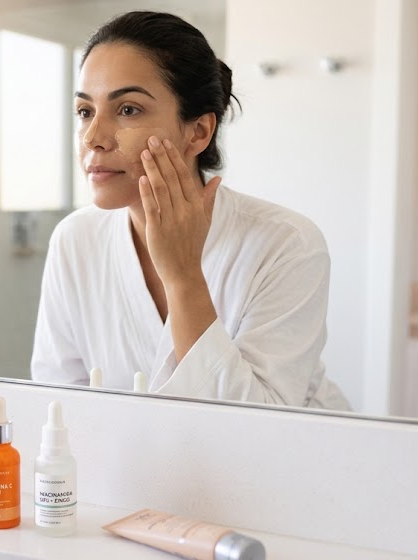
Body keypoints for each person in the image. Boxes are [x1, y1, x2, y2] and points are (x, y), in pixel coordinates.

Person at [31, 11, 350, 410]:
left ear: (198, 132)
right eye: (85, 112)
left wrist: (183, 277)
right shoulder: (75, 239)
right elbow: (58, 404)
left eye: (128, 109)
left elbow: (259, 427)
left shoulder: (286, 245)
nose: (93, 137)